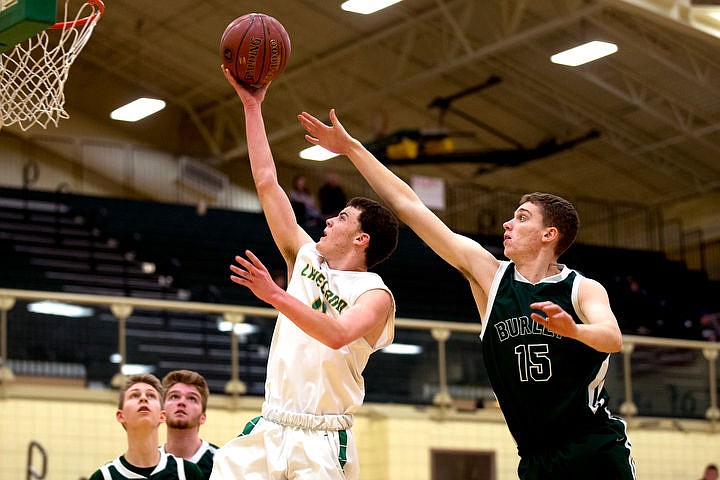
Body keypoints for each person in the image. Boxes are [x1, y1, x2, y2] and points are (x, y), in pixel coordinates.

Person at [298, 108, 637, 480]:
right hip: (536, 458)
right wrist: (352, 149)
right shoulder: (490, 277)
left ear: (549, 235)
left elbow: (612, 337)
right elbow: (411, 207)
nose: (508, 223)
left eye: (522, 218)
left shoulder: (582, 289)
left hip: (594, 449)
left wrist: (572, 330)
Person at [215, 67, 399, 480]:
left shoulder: (375, 295)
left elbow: (337, 336)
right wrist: (252, 107)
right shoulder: (305, 256)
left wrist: (276, 295)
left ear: (361, 240)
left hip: (322, 439)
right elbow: (266, 183)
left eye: (343, 218)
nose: (329, 220)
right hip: (270, 424)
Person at [88, 374, 204, 480]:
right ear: (120, 416)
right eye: (134, 395)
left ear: (162, 416)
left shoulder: (188, 472)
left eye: (151, 395)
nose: (143, 398)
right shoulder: (104, 477)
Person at [161, 370, 218, 480]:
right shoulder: (150, 461)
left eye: (192, 398)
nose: (181, 402)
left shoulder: (220, 460)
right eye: (174, 396)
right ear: (162, 412)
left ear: (203, 417)